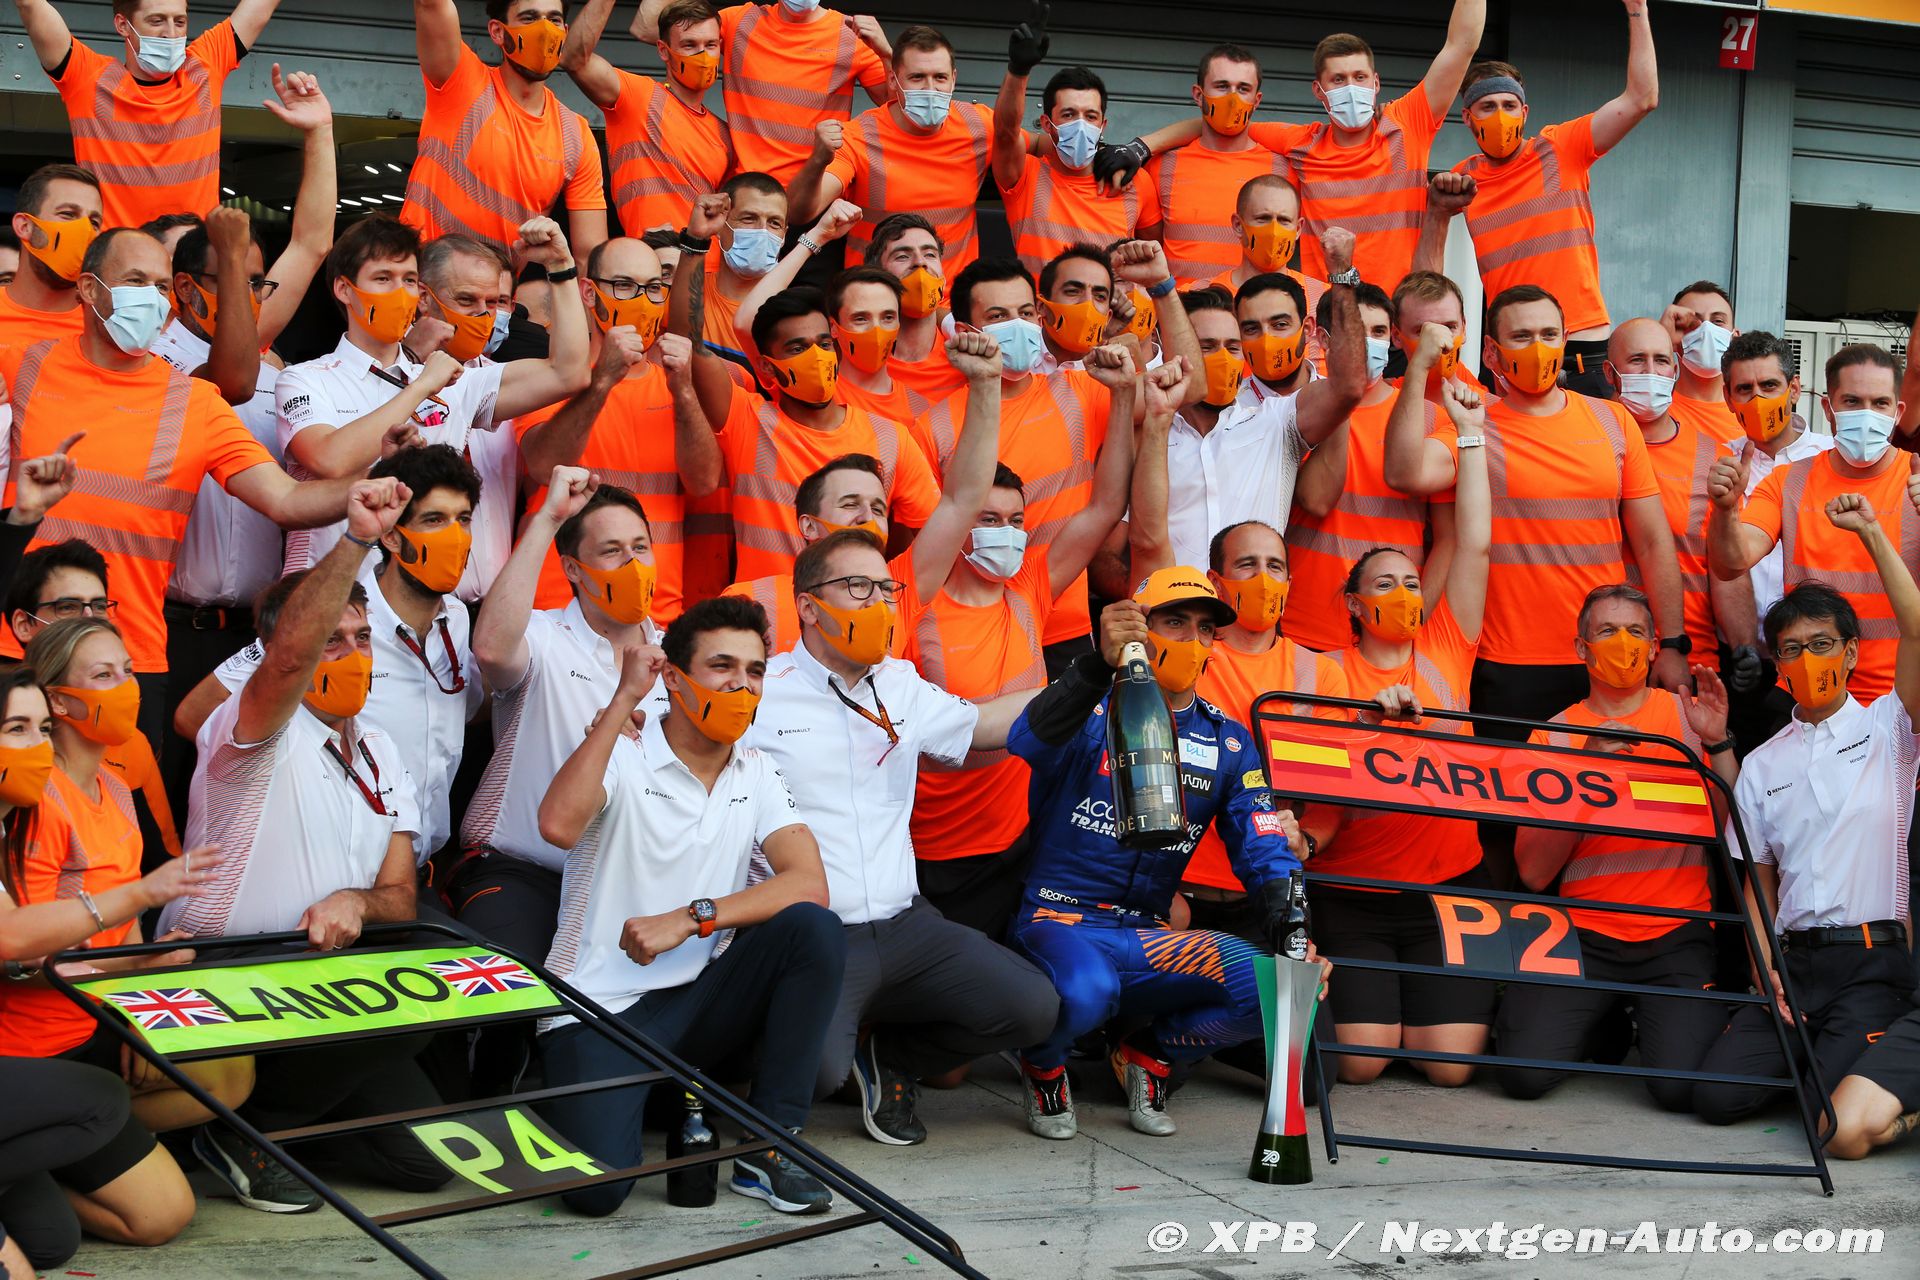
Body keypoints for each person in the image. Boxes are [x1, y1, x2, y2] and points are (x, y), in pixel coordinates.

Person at [164, 478, 457, 1209]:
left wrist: (355, 900)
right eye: (332, 639)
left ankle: (278, 1127)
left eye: (362, 638)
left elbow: (399, 897)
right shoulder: (249, 728)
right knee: (399, 1014)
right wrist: (356, 540)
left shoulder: (382, 747)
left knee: (428, 1164)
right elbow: (289, 661)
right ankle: (246, 1131)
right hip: (230, 967)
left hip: (328, 978)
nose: (351, 653)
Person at [742, 530, 1060, 1146]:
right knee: (815, 1075)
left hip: (905, 922)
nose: (878, 603)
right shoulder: (761, 689)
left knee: (1033, 1007)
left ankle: (890, 1059)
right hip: (815, 933)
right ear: (808, 605)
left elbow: (982, 725)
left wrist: (1086, 682)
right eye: (857, 587)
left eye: (886, 589)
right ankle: (824, 1050)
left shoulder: (899, 681)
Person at [0, 227, 371, 747]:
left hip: (130, 657)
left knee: (127, 799)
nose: (151, 299)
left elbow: (286, 499)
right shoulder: (21, 364)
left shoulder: (197, 402)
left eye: (159, 287)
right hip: (20, 646)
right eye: (135, 281)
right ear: (87, 288)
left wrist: (365, 491)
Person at [538, 597, 845, 1216]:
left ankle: (769, 1145)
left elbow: (809, 884)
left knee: (813, 930)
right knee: (596, 1194)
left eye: (754, 671)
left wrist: (691, 917)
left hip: (697, 1001)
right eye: (721, 666)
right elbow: (557, 826)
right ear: (673, 679)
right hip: (596, 1009)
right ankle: (601, 1096)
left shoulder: (757, 770)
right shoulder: (622, 748)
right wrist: (623, 699)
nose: (741, 685)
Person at [1007, 576, 1323, 1139]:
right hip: (1061, 920)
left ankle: (1149, 1056)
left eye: (1204, 629)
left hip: (1149, 935)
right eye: (1174, 623)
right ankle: (1044, 1066)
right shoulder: (1088, 707)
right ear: (1139, 628)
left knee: (1284, 989)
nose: (1191, 640)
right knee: (1088, 992)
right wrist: (1095, 667)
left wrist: (1291, 926)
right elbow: (1024, 741)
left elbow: (1263, 841)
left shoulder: (1228, 741)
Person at [1382, 284, 1688, 801]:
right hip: (1507, 665)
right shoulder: (1473, 423)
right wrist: (1418, 369)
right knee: (1510, 813)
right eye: (1521, 336)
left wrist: (1674, 643)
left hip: (1606, 661)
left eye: (1549, 334)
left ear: (1566, 340)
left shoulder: (1612, 421)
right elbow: (1405, 471)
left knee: (1614, 808)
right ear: (1491, 351)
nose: (1538, 348)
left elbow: (1654, 542)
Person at [1694, 495, 1920, 1125]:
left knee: (1832, 1118)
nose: (1809, 659)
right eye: (1792, 649)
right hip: (1796, 963)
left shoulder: (1891, 728)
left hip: (1873, 963)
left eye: (1823, 644)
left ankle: (1843, 1073)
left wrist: (1872, 533)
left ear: (1851, 653)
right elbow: (1758, 877)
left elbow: (1917, 630)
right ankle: (1817, 1061)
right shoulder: (1763, 763)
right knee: (1715, 1098)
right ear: (1778, 665)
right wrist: (1763, 965)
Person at [902, 345, 1137, 940]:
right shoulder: (911, 607)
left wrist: (1124, 396)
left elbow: (1106, 505)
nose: (1004, 533)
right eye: (988, 519)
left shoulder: (1032, 584)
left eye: (1014, 521)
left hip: (1021, 837)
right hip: (935, 850)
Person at [0, 665, 227, 1260]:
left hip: (76, 1027)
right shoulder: (35, 814)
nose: (37, 746)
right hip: (26, 1045)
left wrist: (138, 977)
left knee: (58, 1240)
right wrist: (139, 896)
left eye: (41, 729)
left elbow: (36, 951)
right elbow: (15, 943)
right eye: (16, 729)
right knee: (100, 1099)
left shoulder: (77, 800)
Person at [173, 446, 484, 872]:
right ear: (392, 536)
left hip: (412, 874)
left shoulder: (458, 620)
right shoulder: (328, 619)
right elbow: (195, 716)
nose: (455, 536)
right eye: (434, 520)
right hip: (325, 872)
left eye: (463, 519)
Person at [1310, 374, 1495, 1086]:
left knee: (1449, 1071)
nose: (1404, 593)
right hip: (1353, 890)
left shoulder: (1447, 648)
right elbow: (1314, 774)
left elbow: (1473, 547)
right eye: (1384, 585)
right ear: (1354, 606)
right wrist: (1364, 724)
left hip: (1446, 888)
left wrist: (1469, 435)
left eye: (1412, 582)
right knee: (1360, 1064)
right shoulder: (1322, 672)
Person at [14, 617, 253, 1164]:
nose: (128, 687)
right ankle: (45, 1151)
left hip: (103, 1007)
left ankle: (73, 1145)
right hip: (44, 1033)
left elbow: (126, 928)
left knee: (234, 1063)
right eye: (104, 675)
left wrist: (143, 996)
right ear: (57, 701)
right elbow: (26, 955)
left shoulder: (117, 787)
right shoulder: (39, 799)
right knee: (219, 1074)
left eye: (127, 670)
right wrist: (138, 980)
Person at [1499, 584, 1735, 1108]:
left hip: (1675, 932)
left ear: (1653, 648)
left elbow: (1726, 830)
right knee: (1522, 1077)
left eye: (1635, 632)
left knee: (1677, 1089)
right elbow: (1534, 873)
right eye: (1607, 631)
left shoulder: (1688, 719)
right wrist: (1584, 775)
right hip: (1583, 934)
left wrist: (1717, 742)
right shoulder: (1553, 738)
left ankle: (1630, 1017)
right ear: (1580, 648)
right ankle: (1604, 1023)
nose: (1623, 643)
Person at [275, 213, 587, 576]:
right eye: (383, 278)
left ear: (420, 293)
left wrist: (560, 267)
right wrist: (421, 385)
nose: (399, 292)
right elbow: (330, 460)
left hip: (421, 598)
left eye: (408, 279)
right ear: (344, 290)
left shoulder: (456, 380)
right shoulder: (304, 379)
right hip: (331, 597)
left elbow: (568, 372)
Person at [458, 471, 670, 966]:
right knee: (512, 997)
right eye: (612, 551)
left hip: (629, 892)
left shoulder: (680, 659)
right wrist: (549, 518)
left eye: (640, 548)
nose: (633, 564)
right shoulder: (543, 636)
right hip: (520, 875)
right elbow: (490, 650)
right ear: (573, 568)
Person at [676, 225, 943, 582]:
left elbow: (934, 538)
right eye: (798, 348)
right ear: (766, 367)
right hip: (766, 612)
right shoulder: (747, 419)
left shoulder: (891, 438)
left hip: (856, 611)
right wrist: (695, 242)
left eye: (823, 343)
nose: (816, 356)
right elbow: (687, 340)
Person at [725, 330, 1007, 652]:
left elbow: (962, 500)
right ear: (808, 525)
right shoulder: (752, 601)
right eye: (849, 504)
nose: (866, 518)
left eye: (878, 508)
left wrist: (986, 383)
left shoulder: (899, 590)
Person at [912, 257, 1114, 671]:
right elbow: (924, 544)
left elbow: (1184, 393)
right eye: (998, 317)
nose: (1017, 326)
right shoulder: (932, 429)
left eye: (1025, 313)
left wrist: (1160, 295)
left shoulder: (1080, 392)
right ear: (965, 332)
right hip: (976, 630)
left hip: (1065, 627)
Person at [1449, 0, 1659, 396]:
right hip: (1509, 352)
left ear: (1524, 112)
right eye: (1487, 107)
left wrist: (1637, 10)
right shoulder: (1463, 180)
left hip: (1579, 350)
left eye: (1509, 106)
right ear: (1467, 117)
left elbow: (1642, 98)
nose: (1500, 116)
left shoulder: (1561, 147)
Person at [1708, 339, 1913, 703]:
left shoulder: (1916, 481)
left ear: (1897, 412)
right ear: (1828, 408)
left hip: (1896, 698)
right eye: (1852, 401)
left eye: (1879, 403)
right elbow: (1731, 563)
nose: (1866, 414)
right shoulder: (1788, 480)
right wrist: (1726, 509)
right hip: (1802, 693)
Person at [515, 236, 707, 622]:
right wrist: (602, 379)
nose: (642, 300)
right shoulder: (548, 379)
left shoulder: (677, 383)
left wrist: (685, 392)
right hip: (557, 610)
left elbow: (703, 482)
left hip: (655, 612)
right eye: (623, 285)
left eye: (654, 288)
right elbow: (543, 464)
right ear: (589, 292)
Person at [1149, 244, 1366, 578]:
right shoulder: (1151, 431)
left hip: (1256, 605)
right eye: (1205, 347)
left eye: (1232, 346)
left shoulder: (1272, 421)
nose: (1221, 358)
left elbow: (1349, 386)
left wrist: (1341, 276)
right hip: (1170, 606)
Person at [1230, 8, 1484, 289]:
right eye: (1338, 80)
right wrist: (1184, 132)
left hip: (1398, 309)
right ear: (1318, 90)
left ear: (1376, 83)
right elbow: (1226, 126)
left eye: (1360, 77)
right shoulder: (1302, 143)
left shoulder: (1406, 125)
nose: (1351, 88)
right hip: (1327, 309)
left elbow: (1461, 45)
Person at [13, 0, 281, 228]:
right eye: (157, 21)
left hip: (192, 261)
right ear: (122, 25)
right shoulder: (89, 80)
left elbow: (260, 7)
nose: (170, 33)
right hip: (114, 262)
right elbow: (30, 5)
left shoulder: (203, 68)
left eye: (180, 22)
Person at [1604, 317, 1760, 689]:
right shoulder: (1589, 442)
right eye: (1637, 360)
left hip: (1688, 659)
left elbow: (1723, 565)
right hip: (1599, 652)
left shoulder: (1713, 457)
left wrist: (1744, 644)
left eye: (1661, 360)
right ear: (1610, 374)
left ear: (1675, 369)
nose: (1651, 371)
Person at [1283, 286, 1439, 653]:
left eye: (1378, 331)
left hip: (1390, 630)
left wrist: (1417, 614)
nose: (1367, 343)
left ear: (1394, 337)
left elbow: (1448, 538)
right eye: (1354, 330)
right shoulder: (1292, 411)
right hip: (1303, 625)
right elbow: (1313, 500)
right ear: (1323, 339)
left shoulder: (1430, 419)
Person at [5, 542, 180, 861]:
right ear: (24, 624)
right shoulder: (7, 737)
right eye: (68, 607)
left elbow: (162, 861)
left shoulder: (131, 744)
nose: (90, 620)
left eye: (98, 606)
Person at [404, 0, 607, 258]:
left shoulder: (575, 134)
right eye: (529, 18)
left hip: (499, 283)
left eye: (554, 20)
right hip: (422, 275)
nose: (545, 30)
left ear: (565, 32)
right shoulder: (462, 82)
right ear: (498, 32)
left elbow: (589, 257)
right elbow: (430, 4)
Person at [789, 24, 994, 274]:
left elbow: (1034, 146)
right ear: (893, 81)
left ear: (953, 79)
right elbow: (800, 212)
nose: (930, 88)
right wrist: (818, 160)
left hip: (952, 296)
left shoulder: (979, 124)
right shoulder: (857, 136)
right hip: (876, 294)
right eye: (917, 77)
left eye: (939, 77)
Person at [631, 0, 892, 188]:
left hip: (815, 196)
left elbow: (892, 105)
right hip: (747, 197)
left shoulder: (851, 34)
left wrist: (886, 54)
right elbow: (647, 28)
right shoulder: (740, 21)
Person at [560, 0, 734, 239]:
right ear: (663, 50)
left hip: (706, 259)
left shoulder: (724, 132)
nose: (702, 55)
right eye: (689, 45)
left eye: (710, 44)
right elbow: (573, 58)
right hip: (651, 258)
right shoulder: (639, 97)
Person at [1146, 44, 1294, 288]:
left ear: (1256, 100)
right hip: (1182, 308)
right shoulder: (1161, 166)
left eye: (1243, 89)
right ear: (1198, 95)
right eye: (1222, 86)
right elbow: (1150, 249)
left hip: (1255, 309)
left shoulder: (1284, 170)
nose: (1232, 98)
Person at [994, 61, 1161, 276]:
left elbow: (1152, 257)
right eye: (1068, 115)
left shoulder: (1135, 180)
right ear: (1047, 124)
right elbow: (1005, 133)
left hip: (1111, 299)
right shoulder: (1025, 175)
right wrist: (1019, 69)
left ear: (1102, 125)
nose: (1081, 126)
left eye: (1090, 116)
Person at [863, 212, 965, 403]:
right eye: (902, 256)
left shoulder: (970, 350)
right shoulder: (853, 355)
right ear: (877, 277)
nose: (920, 262)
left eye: (930, 254)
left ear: (943, 277)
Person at [0, 164, 100, 351]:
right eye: (68, 214)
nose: (85, 230)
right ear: (25, 226)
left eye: (94, 222)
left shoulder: (107, 327)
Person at [1209, 175, 1325, 320]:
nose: (1274, 231)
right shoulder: (1202, 296)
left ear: (1298, 229)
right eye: (1263, 218)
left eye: (1284, 220)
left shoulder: (1322, 299)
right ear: (1238, 225)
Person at [1663, 281, 1744, 445]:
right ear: (1673, 336)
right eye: (1693, 323)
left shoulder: (1751, 414)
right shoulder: (1651, 409)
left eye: (1718, 321)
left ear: (1735, 338)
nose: (1706, 329)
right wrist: (1661, 339)